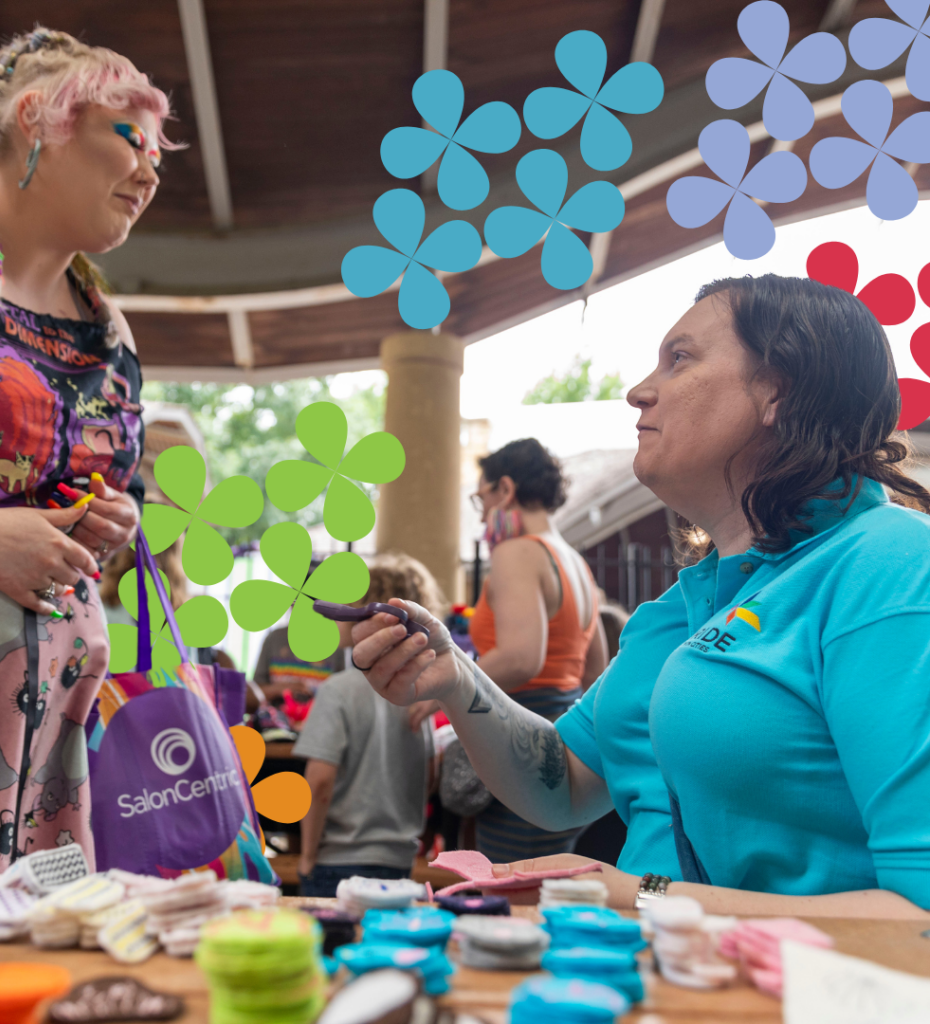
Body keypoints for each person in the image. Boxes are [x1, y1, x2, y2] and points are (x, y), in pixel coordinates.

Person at [352, 274, 930, 918]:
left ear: (777, 389)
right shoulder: (686, 603)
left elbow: (920, 915)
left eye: (679, 358)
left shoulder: (893, 566)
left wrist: (641, 896)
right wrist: (456, 679)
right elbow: (564, 783)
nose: (638, 391)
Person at [0, 29, 174, 866]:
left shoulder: (107, 324)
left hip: (44, 738)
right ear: (37, 121)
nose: (151, 169)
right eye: (130, 135)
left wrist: (104, 522)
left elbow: (62, 506)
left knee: (16, 982)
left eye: (159, 151)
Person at [465, 438, 607, 861]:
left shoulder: (517, 553)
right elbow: (594, 668)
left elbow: (521, 658)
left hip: (517, 739)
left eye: (482, 499)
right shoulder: (573, 561)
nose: (485, 515)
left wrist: (445, 684)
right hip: (567, 739)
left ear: (505, 490)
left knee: (511, 885)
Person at [293, 554, 444, 898]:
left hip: (337, 864)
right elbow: (430, 775)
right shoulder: (420, 692)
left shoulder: (338, 690)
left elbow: (318, 783)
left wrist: (307, 857)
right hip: (400, 861)